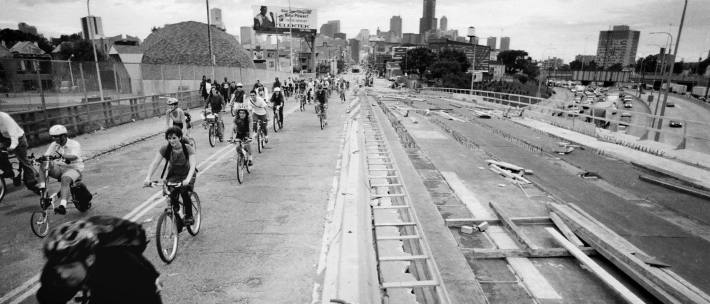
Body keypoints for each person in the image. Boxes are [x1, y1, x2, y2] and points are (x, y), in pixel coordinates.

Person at [37, 216, 162, 304]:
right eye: (58, 267)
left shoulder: (125, 267)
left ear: (90, 259)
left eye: (70, 267)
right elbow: (47, 298)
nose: (63, 274)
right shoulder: (54, 270)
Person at [143, 126, 197, 225]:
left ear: (180, 137)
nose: (171, 141)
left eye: (174, 138)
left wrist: (188, 179)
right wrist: (148, 177)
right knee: (171, 195)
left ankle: (189, 216)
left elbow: (193, 164)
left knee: (184, 191)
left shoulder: (187, 148)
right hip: (174, 175)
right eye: (169, 138)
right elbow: (155, 163)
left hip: (188, 174)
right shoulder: (165, 149)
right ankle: (179, 221)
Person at [38, 125, 85, 215]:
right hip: (60, 168)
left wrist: (62, 155)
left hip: (74, 169)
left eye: (56, 136)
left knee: (65, 179)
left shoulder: (74, 144)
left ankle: (62, 206)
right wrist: (41, 159)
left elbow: (74, 157)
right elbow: (46, 156)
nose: (54, 139)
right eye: (53, 136)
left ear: (63, 136)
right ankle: (43, 192)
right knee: (43, 164)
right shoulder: (54, 145)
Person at [0, 111, 38, 192]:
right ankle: (11, 172)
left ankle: (32, 181)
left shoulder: (5, 118)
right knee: (1, 155)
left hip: (18, 138)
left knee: (23, 160)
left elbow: (14, 135)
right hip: (5, 139)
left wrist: (12, 147)